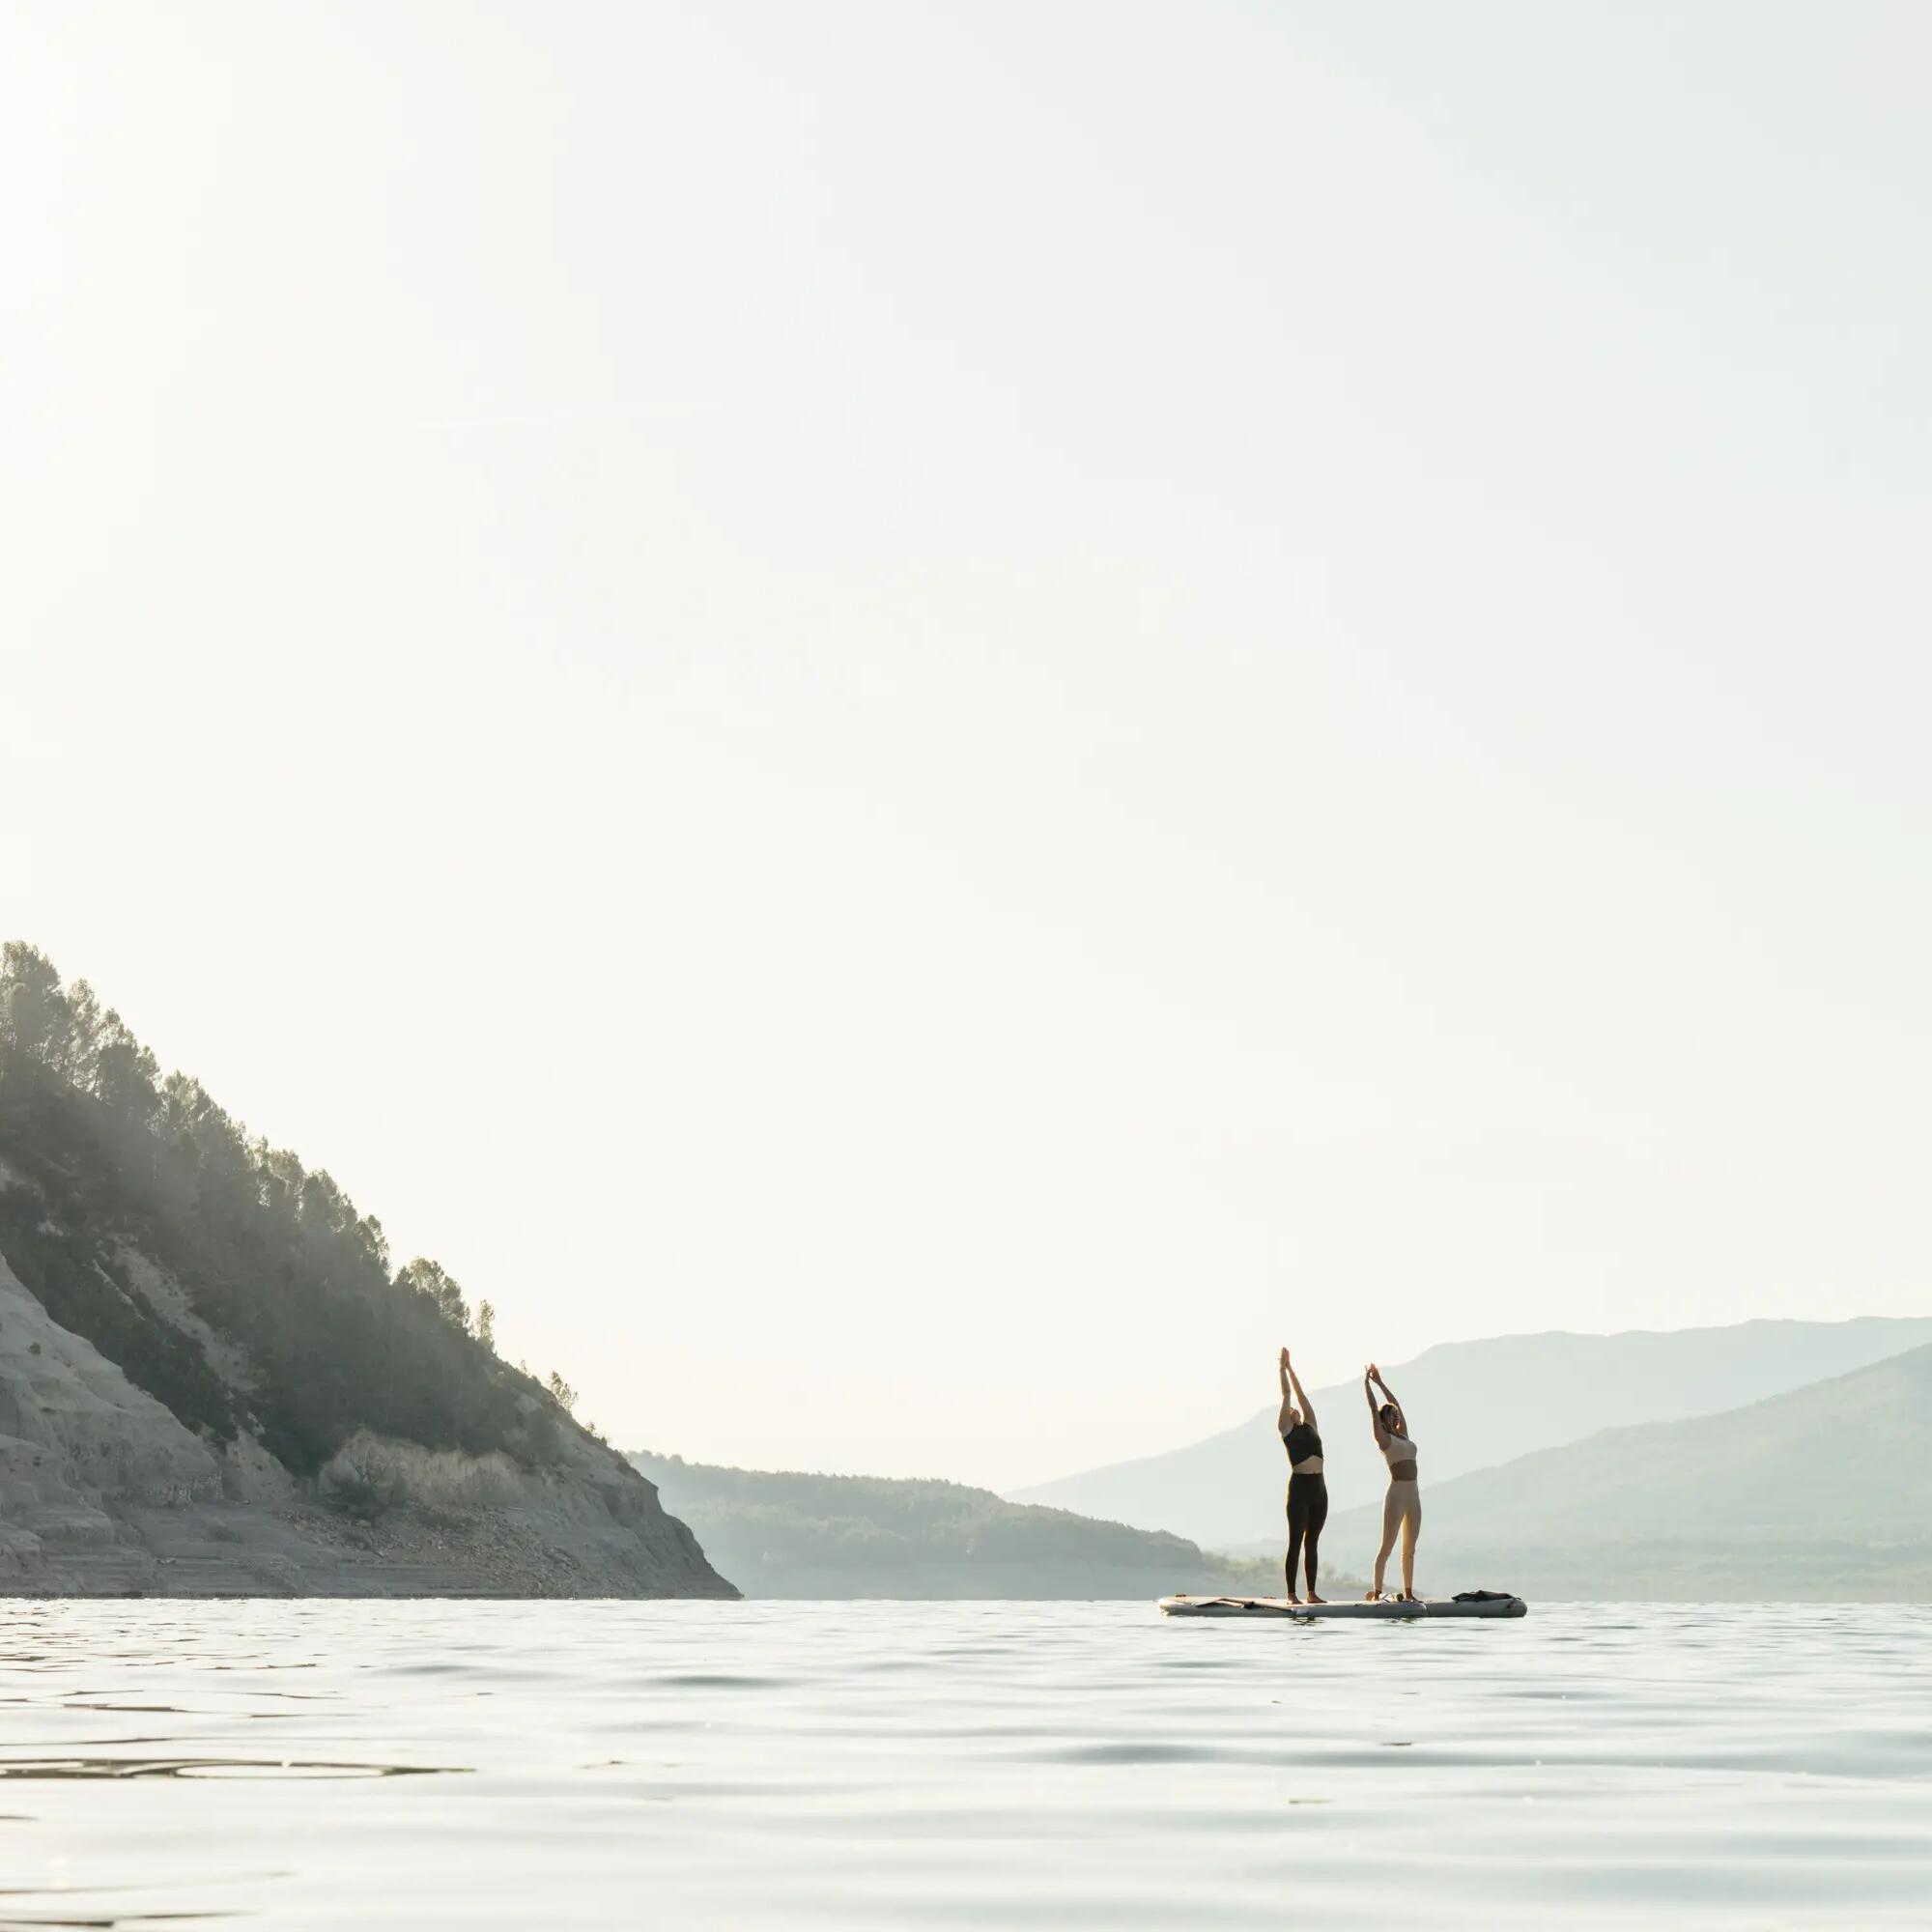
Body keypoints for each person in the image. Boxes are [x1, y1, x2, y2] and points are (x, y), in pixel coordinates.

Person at [1363, 1361, 1421, 1602]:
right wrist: (1367, 1385)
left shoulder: (1404, 1436)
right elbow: (1374, 1408)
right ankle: (1376, 1592)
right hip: (1396, 1494)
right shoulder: (1384, 1439)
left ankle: (1408, 1593)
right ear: (1384, 1419)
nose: (1396, 1415)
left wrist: (1380, 1382)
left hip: (1413, 1493)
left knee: (1409, 1548)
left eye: (1396, 1414)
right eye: (1392, 1414)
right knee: (1387, 1546)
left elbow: (1396, 1403)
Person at [1277, 1347, 1327, 1605]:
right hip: (1299, 1489)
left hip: (1319, 1488)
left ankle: (1311, 1593)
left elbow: (1300, 1394)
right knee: (1296, 1540)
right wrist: (1282, 1369)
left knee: (1313, 1542)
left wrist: (1293, 1369)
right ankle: (1291, 1594)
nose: (1293, 1409)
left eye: (1295, 1409)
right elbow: (1287, 1394)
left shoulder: (1311, 1424)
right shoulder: (1286, 1430)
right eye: (1289, 1410)